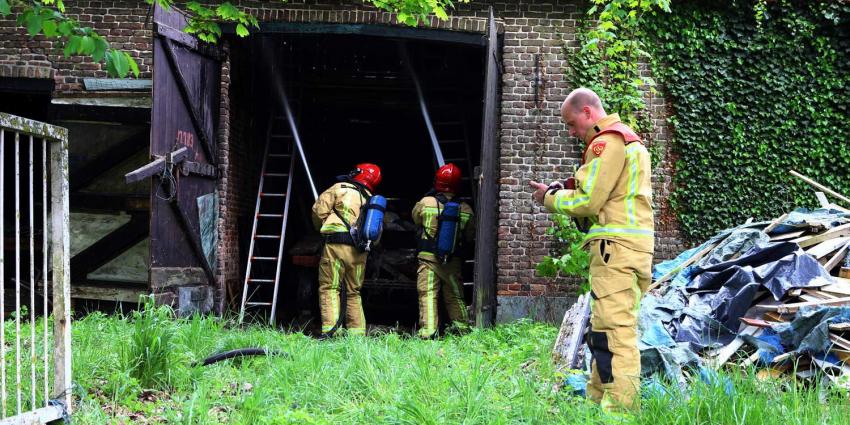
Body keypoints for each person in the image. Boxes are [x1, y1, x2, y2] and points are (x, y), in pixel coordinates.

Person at [529, 88, 654, 411]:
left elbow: (590, 201)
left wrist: (550, 199)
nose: (572, 133)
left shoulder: (607, 142)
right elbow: (603, 191)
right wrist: (566, 186)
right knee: (603, 328)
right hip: (627, 249)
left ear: (587, 112)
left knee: (615, 332)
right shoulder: (628, 142)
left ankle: (621, 411)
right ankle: (598, 399)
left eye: (572, 124)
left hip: (617, 250)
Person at [311, 163, 382, 337]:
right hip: (360, 252)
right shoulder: (371, 201)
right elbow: (377, 235)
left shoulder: (340, 188)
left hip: (336, 246)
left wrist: (324, 229)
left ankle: (331, 334)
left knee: (330, 288)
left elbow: (318, 212)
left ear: (359, 173)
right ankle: (357, 335)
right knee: (353, 292)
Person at [412, 163, 475, 338]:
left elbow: (416, 219)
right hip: (452, 262)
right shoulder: (466, 209)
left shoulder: (426, 202)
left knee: (427, 294)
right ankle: (462, 330)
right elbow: (470, 236)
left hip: (428, 259)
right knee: (455, 296)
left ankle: (428, 332)